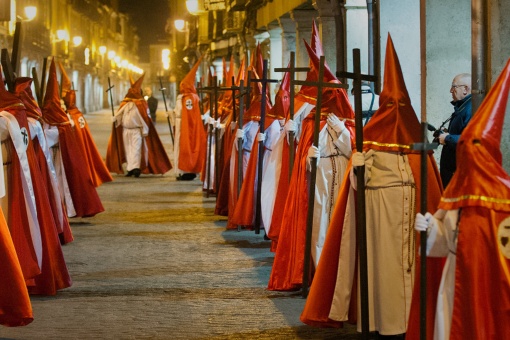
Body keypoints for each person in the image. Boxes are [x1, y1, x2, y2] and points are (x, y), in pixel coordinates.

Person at [300, 35, 443, 337]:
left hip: (411, 233)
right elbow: (354, 193)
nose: (394, 110)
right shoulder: (370, 144)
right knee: (382, 281)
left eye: (400, 104)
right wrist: (358, 169)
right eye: (390, 103)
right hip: (380, 232)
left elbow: (433, 192)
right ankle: (380, 325)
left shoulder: (420, 149)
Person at [410, 59, 510, 340]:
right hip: (457, 280)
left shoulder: (504, 200)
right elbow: (444, 239)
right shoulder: (456, 193)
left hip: (492, 286)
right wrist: (429, 227)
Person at [106, 74, 172, 178]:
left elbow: (145, 118)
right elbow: (120, 115)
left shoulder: (142, 104)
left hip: (137, 130)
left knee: (136, 149)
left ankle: (136, 168)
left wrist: (145, 131)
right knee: (128, 149)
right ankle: (130, 168)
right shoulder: (125, 103)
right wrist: (115, 119)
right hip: (125, 130)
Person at [173, 56, 206, 181]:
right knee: (180, 148)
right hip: (181, 123)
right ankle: (181, 171)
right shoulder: (186, 97)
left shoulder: (189, 98)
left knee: (186, 148)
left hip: (185, 127)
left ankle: (187, 170)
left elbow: (188, 115)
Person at [438, 73, 472, 188]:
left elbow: (471, 140)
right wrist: (448, 133)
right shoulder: (464, 106)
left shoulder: (471, 108)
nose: (450, 90)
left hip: (459, 176)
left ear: (465, 89)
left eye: (454, 86)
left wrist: (447, 138)